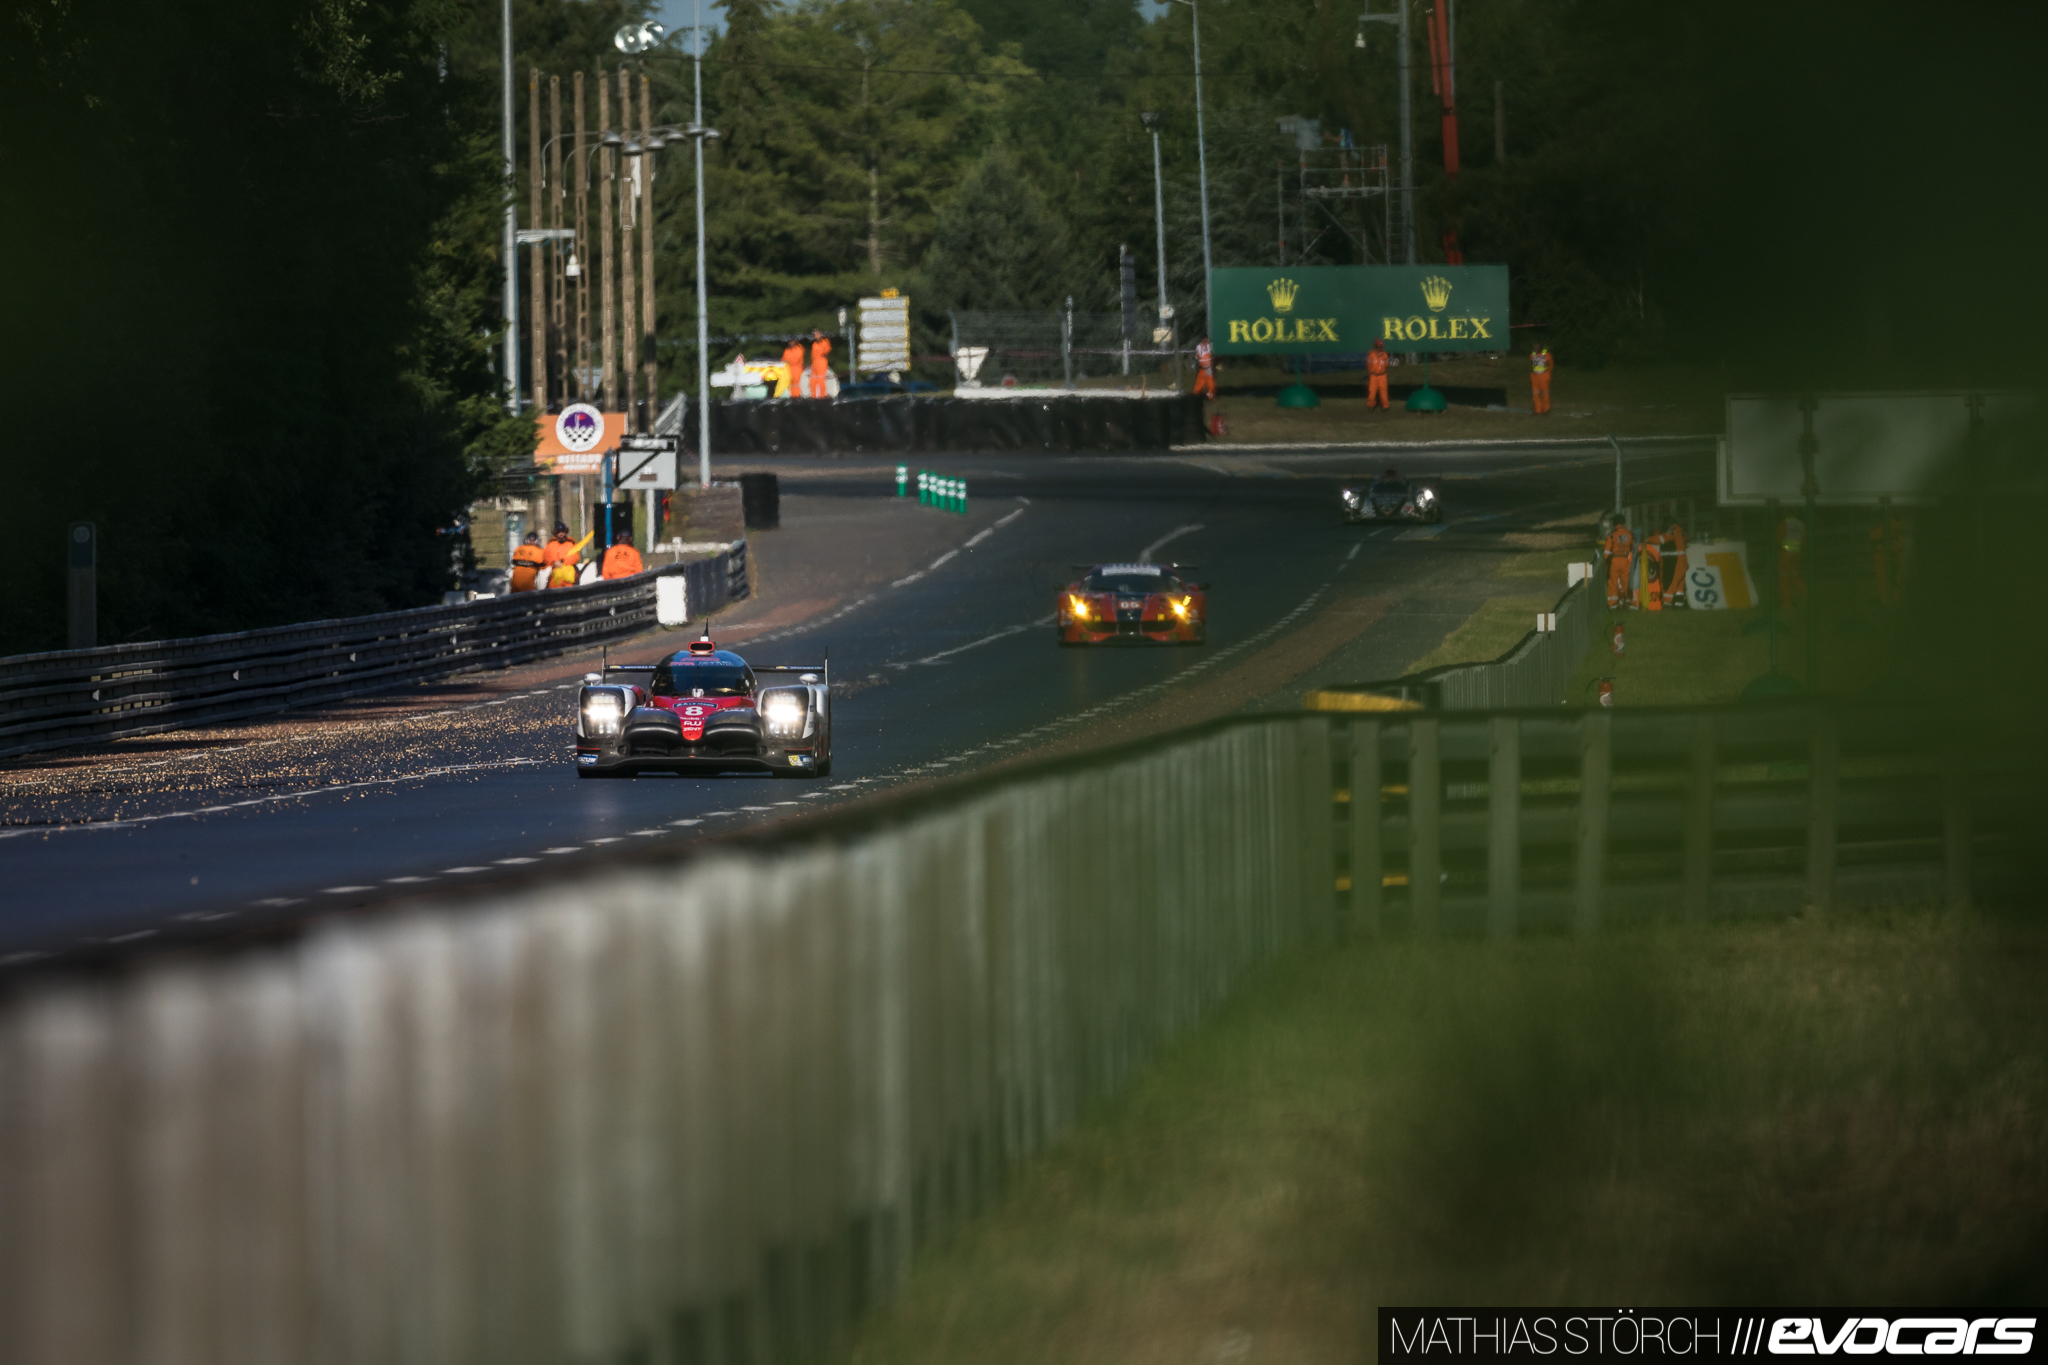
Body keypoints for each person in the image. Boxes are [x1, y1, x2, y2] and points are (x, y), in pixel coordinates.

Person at [1871, 498, 1908, 606]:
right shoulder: (1880, 528)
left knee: (1892, 580)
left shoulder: (1892, 524)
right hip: (1885, 561)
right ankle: (1889, 602)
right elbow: (1878, 545)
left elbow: (1898, 544)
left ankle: (1891, 602)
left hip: (1890, 561)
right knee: (1888, 581)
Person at [1604, 513, 1637, 610]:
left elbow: (1606, 553)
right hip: (1625, 560)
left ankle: (1613, 603)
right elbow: (1633, 547)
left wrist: (1606, 562)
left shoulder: (1611, 535)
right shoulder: (1629, 534)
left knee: (1612, 582)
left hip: (1614, 561)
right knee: (1626, 581)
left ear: (1615, 523)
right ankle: (1630, 601)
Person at [1777, 514, 1807, 611]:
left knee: (1783, 577)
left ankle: (1786, 603)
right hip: (1797, 553)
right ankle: (1808, 597)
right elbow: (1803, 539)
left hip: (1786, 553)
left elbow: (1778, 537)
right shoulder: (1801, 524)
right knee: (1794, 576)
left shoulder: (1785, 523)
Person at [541, 522, 580, 589]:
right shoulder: (550, 544)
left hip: (568, 576)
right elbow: (546, 557)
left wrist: (562, 561)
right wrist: (553, 562)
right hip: (555, 576)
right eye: (559, 532)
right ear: (555, 533)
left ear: (565, 532)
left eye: (563, 532)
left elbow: (575, 557)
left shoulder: (571, 543)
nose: (561, 534)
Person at [1365, 338, 1391, 410]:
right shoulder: (1371, 355)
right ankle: (1371, 405)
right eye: (1378, 346)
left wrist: (1381, 369)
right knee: (1372, 392)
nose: (1380, 348)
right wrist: (1371, 373)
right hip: (1373, 376)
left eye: (1381, 346)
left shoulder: (1384, 355)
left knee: (1383, 392)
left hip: (1382, 376)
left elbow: (1386, 364)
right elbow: (1369, 365)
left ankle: (1385, 406)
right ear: (1375, 346)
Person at [809, 329, 833, 399]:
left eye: (816, 334)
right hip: (814, 363)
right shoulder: (814, 344)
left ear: (821, 334)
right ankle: (814, 396)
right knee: (813, 380)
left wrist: (824, 354)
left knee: (821, 379)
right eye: (814, 335)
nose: (815, 336)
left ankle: (822, 396)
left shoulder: (825, 342)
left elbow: (827, 351)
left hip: (821, 362)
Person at [1530, 345, 1553, 415]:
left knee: (1544, 393)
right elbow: (1532, 365)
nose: (1535, 348)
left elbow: (1550, 364)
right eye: (1534, 347)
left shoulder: (1547, 355)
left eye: (1537, 347)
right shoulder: (1532, 355)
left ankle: (1545, 410)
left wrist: (1547, 373)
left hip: (1543, 376)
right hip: (1535, 376)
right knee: (1535, 393)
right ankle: (1537, 410)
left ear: (1540, 348)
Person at [1193, 335, 1217, 400]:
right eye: (1202, 339)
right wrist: (1199, 362)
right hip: (1202, 368)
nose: (1203, 340)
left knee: (1210, 382)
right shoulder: (1199, 346)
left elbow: (1212, 355)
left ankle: (1210, 395)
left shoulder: (1210, 346)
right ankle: (1196, 396)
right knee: (1200, 383)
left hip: (1208, 367)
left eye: (1204, 339)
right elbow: (1198, 356)